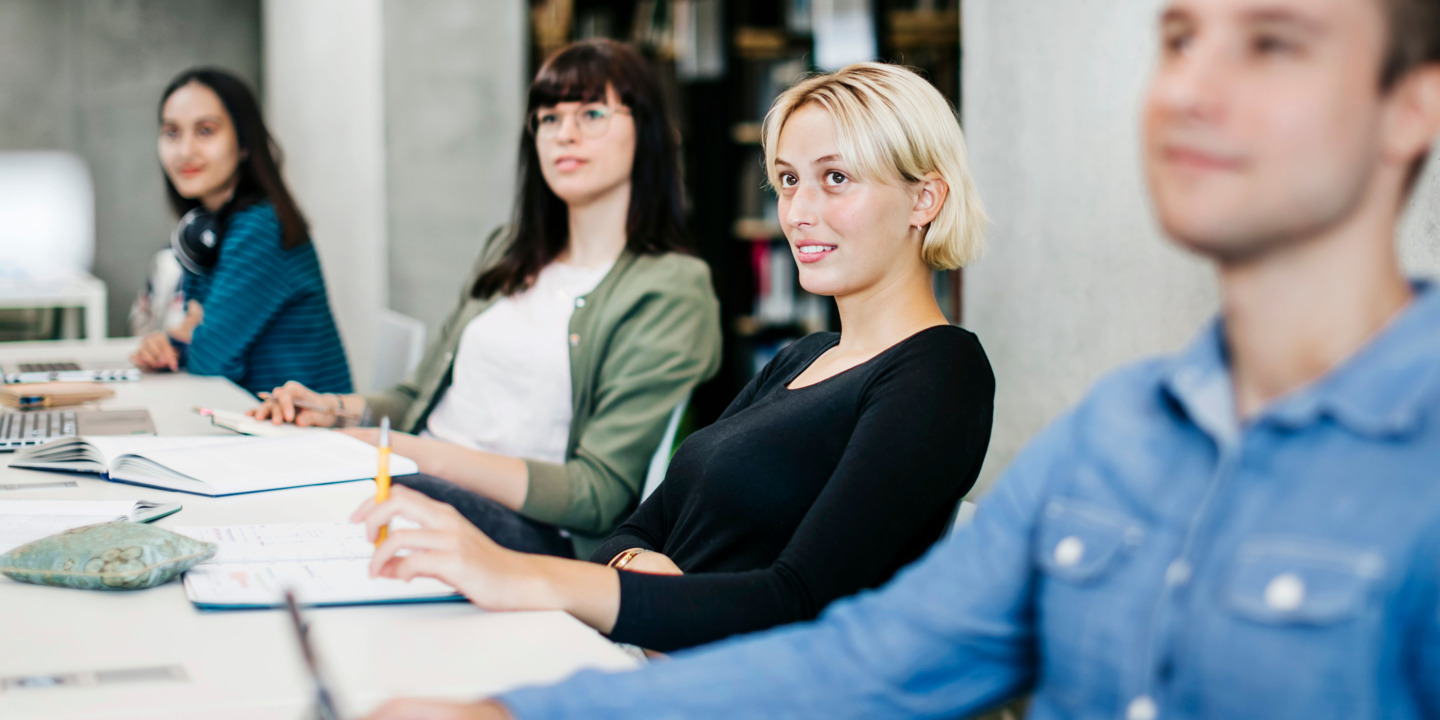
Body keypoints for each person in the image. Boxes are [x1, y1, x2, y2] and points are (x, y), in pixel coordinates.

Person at [366, 0, 1440, 717]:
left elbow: (803, 607)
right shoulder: (1115, 439)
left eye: (1274, 43)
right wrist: (507, 708)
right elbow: (870, 656)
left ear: (1411, 108)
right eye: (1176, 38)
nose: (1193, 87)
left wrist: (528, 583)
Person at [351, 61, 994, 658]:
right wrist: (640, 575)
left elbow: (796, 603)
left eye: (836, 179)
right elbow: (636, 527)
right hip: (641, 651)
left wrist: (520, 574)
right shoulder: (802, 358)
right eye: (789, 180)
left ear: (924, 200)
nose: (798, 212)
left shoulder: (940, 372)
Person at [251, 40, 723, 560]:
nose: (564, 133)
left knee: (335, 501)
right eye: (548, 118)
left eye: (591, 113)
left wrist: (409, 456)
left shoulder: (671, 287)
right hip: (423, 481)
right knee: (282, 483)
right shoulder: (510, 250)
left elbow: (596, 495)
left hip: (532, 534)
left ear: (647, 131)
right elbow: (415, 399)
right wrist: (337, 412)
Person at [132, 68, 352, 397]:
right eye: (172, 133)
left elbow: (211, 362)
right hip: (254, 420)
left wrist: (191, 337)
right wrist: (174, 343)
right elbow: (203, 338)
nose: (185, 150)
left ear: (245, 143)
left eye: (206, 131)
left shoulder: (260, 228)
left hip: (304, 434)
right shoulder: (208, 228)